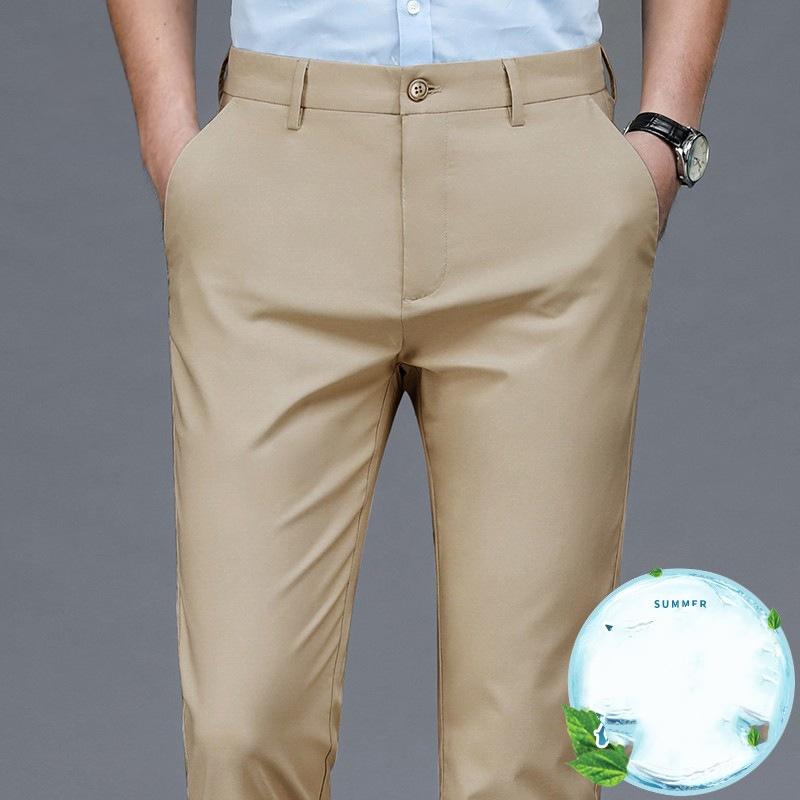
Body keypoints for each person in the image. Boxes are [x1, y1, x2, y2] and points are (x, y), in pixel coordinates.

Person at [107, 2, 729, 798]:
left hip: (542, 176)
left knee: (534, 746)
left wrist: (667, 134)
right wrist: (168, 139)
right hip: (277, 176)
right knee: (240, 727)